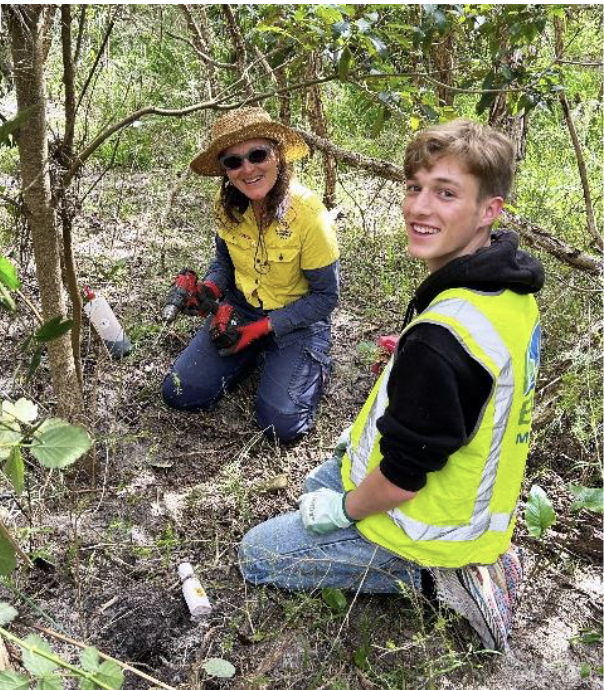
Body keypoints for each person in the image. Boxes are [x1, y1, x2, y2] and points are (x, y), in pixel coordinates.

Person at [238, 119, 545, 651]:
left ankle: (432, 578)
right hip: (465, 491)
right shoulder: (506, 290)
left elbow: (405, 476)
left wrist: (347, 509)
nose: (419, 208)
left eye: (446, 194)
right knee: (317, 485)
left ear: (488, 211)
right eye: (414, 188)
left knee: (258, 553)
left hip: (428, 527)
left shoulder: (443, 338)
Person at [162, 107, 339, 443]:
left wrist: (262, 329)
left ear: (278, 156)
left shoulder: (310, 215)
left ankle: (302, 361)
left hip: (297, 321)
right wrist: (211, 289)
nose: (248, 169)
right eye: (233, 162)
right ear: (225, 171)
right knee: (179, 392)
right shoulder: (227, 205)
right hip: (242, 309)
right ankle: (249, 353)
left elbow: (326, 298)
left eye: (258, 154)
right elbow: (224, 263)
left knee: (281, 426)